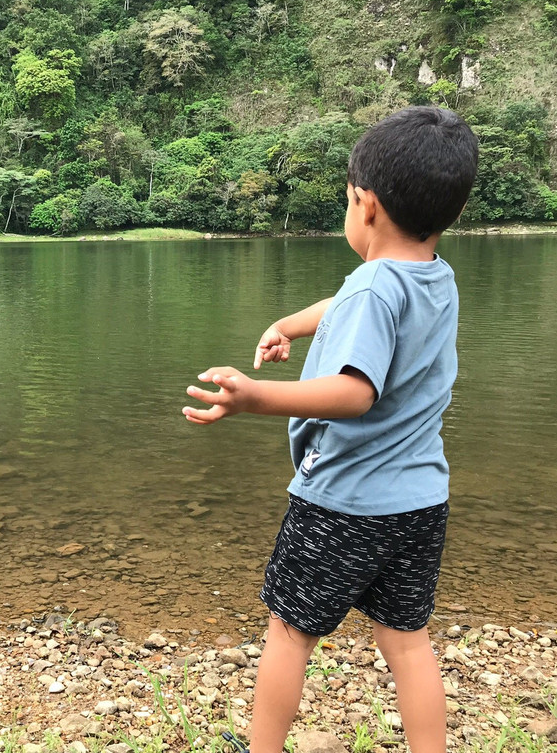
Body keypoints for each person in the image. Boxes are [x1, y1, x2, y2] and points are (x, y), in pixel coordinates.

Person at [182, 105, 479, 753]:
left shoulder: (377, 288)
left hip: (345, 502)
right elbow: (350, 301)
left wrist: (255, 397)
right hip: (421, 502)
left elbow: (354, 392)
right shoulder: (434, 278)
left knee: (289, 633)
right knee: (407, 641)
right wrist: (290, 324)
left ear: (365, 206)